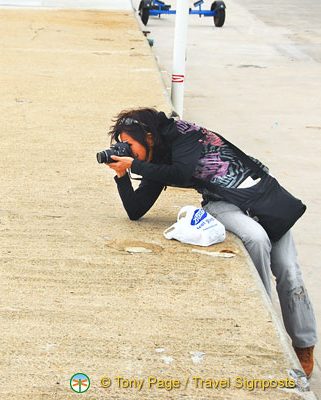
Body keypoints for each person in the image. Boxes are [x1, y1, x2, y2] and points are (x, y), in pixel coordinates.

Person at [105, 107, 317, 378]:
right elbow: (136, 210)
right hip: (221, 203)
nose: (127, 151)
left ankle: (304, 343)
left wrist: (134, 164)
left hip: (260, 193)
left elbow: (181, 174)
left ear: (148, 136)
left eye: (129, 145)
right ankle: (267, 322)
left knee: (289, 269)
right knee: (256, 238)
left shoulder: (185, 134)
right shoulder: (156, 160)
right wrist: (123, 175)